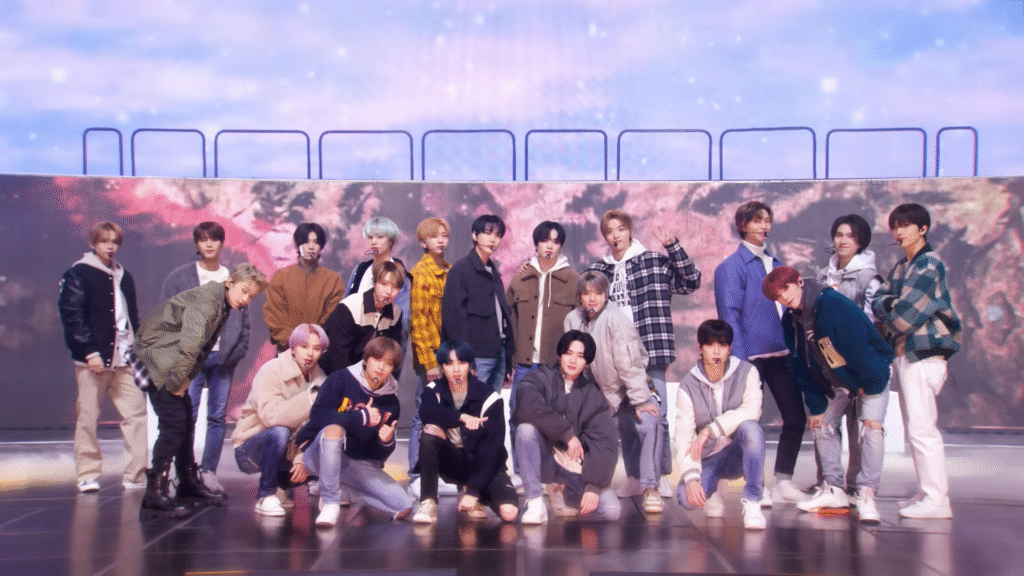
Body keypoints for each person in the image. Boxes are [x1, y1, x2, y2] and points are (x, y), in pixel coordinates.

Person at [135, 263, 268, 517]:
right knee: (174, 424)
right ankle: (154, 492)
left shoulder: (220, 301)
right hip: (158, 360)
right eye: (244, 291)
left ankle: (187, 482)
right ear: (230, 282)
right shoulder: (209, 303)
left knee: (184, 418)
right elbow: (190, 344)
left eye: (251, 296)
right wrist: (179, 381)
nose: (245, 299)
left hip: (169, 360)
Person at [763, 267, 894, 523]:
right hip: (837, 381)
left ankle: (867, 493)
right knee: (820, 424)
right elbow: (800, 364)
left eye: (786, 289)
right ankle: (834, 489)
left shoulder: (831, 303)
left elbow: (860, 347)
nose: (784, 298)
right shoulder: (790, 319)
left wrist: (869, 383)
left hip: (871, 373)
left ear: (799, 282)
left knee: (871, 427)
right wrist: (816, 403)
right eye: (777, 296)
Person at [587, 208, 701, 497]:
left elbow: (690, 281)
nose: (615, 236)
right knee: (626, 420)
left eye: (620, 229)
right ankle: (635, 477)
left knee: (656, 414)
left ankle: (659, 475)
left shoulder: (652, 261)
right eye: (609, 231)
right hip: (615, 354)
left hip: (650, 347)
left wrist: (672, 246)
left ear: (629, 231)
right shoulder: (599, 271)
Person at [872, 203, 962, 519]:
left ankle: (937, 499)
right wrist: (892, 304)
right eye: (895, 226)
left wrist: (890, 306)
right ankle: (927, 492)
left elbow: (904, 318)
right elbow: (877, 301)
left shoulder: (928, 265)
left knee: (923, 429)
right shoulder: (902, 267)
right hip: (906, 354)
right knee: (916, 428)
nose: (898, 232)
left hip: (923, 354)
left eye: (905, 225)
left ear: (923, 229)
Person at [714, 201, 806, 504]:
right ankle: (753, 484)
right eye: (756, 221)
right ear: (742, 225)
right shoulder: (730, 267)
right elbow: (729, 316)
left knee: (795, 417)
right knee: (749, 424)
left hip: (781, 354)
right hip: (750, 358)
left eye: (767, 220)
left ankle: (784, 481)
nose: (763, 226)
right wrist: (740, 362)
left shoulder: (776, 263)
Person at [161, 221, 252, 494]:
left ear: (222, 243)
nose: (209, 244)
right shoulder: (180, 276)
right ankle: (185, 471)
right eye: (203, 239)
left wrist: (235, 352)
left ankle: (209, 471)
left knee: (217, 417)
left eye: (214, 239)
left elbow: (244, 320)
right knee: (187, 415)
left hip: (222, 358)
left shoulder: (232, 277)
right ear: (196, 244)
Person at [58, 221, 147, 493]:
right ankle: (87, 474)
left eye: (114, 241)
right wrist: (90, 352)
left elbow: (132, 318)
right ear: (93, 243)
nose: (110, 246)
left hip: (125, 358)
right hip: (94, 360)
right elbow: (73, 317)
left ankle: (136, 476)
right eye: (104, 241)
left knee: (137, 416)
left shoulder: (124, 276)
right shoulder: (78, 274)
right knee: (88, 418)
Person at [564, 271, 663, 514]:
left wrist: (641, 400)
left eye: (598, 293)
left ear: (606, 295)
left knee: (650, 423)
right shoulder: (572, 319)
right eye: (586, 293)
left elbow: (630, 365)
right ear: (579, 296)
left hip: (626, 389)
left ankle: (650, 487)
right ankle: (579, 485)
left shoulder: (615, 318)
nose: (592, 299)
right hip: (596, 394)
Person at [296, 336, 414, 527]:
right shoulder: (341, 379)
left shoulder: (390, 403)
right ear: (366, 359)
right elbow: (318, 417)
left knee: (403, 507)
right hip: (319, 453)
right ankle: (330, 502)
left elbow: (375, 456)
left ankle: (340, 490)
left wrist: (386, 442)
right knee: (334, 430)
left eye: (389, 363)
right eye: (377, 359)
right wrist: (361, 417)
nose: (381, 367)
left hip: (354, 461)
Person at [513, 331, 621, 524]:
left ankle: (563, 491)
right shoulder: (538, 378)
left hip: (572, 463)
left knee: (611, 511)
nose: (573, 360)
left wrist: (594, 486)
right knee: (525, 431)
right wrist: (567, 434)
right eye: (568, 353)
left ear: (586, 362)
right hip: (545, 456)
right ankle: (535, 503)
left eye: (580, 356)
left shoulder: (592, 394)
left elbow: (606, 442)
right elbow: (528, 406)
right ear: (560, 355)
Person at [412, 340, 519, 524]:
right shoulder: (433, 390)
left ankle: (471, 491)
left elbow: (493, 449)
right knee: (429, 431)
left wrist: (473, 491)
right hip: (454, 462)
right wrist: (460, 417)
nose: (456, 370)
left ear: (470, 365)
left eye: (461, 363)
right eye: (449, 363)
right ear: (442, 366)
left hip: (484, 465)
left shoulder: (489, 396)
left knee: (509, 513)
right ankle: (428, 502)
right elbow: (427, 413)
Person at [674, 319, 767, 530]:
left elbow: (752, 410)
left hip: (736, 454)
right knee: (686, 500)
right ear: (699, 348)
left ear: (729, 349)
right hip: (708, 458)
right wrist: (691, 478)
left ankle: (753, 501)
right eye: (710, 344)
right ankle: (714, 486)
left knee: (752, 429)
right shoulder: (687, 386)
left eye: (722, 345)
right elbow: (683, 436)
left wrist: (710, 430)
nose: (716, 351)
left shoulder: (747, 372)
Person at [506, 221, 579, 481]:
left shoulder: (573, 280)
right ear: (536, 243)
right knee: (518, 415)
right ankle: (520, 472)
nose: (550, 246)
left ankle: (551, 474)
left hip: (554, 365)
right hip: (525, 363)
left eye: (556, 241)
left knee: (555, 419)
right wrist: (511, 361)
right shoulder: (521, 277)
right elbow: (509, 321)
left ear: (561, 246)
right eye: (545, 240)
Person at [816, 213, 883, 493]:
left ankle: (859, 488)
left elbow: (872, 322)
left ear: (861, 241)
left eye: (851, 236)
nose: (843, 241)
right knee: (825, 424)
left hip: (861, 363)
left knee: (862, 427)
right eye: (839, 235)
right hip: (830, 363)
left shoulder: (869, 277)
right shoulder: (823, 275)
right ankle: (829, 486)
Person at [232, 324, 327, 517]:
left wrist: (301, 458)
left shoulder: (319, 378)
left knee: (328, 436)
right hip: (250, 446)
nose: (310, 353)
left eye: (316, 348)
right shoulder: (271, 370)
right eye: (304, 346)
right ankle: (265, 494)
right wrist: (309, 399)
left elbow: (316, 425)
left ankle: (281, 485)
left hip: (290, 448)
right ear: (293, 347)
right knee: (280, 432)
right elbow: (271, 417)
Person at [441, 214, 515, 391]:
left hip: (499, 353)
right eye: (488, 233)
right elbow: (453, 319)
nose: (493, 239)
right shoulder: (461, 269)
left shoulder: (493, 272)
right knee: (469, 404)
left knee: (490, 405)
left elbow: (501, 317)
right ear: (474, 235)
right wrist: (465, 359)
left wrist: (507, 360)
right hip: (476, 356)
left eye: (498, 235)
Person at [407, 217, 452, 484]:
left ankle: (440, 472)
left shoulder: (449, 270)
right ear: (423, 242)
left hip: (450, 355)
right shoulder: (421, 273)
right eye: (434, 236)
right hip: (431, 358)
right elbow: (418, 322)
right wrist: (429, 362)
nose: (441, 240)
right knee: (423, 414)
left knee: (445, 413)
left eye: (444, 235)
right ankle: (416, 474)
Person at [263, 222, 346, 352]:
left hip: (318, 352)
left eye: (316, 242)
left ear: (321, 246)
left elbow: (332, 318)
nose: (311, 247)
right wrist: (293, 342)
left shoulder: (333, 280)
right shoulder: (281, 277)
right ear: (297, 245)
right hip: (286, 350)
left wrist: (312, 344)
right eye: (306, 242)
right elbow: (273, 315)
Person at [320, 260, 404, 376]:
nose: (389, 291)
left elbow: (390, 354)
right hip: (330, 371)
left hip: (365, 373)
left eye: (395, 287)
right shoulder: (350, 306)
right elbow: (337, 358)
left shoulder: (395, 313)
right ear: (374, 282)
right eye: (384, 284)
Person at [344, 216, 412, 349]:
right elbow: (346, 306)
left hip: (384, 346)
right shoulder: (359, 270)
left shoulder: (402, 277)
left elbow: (402, 321)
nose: (374, 242)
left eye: (380, 237)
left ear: (392, 241)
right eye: (370, 237)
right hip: (352, 343)